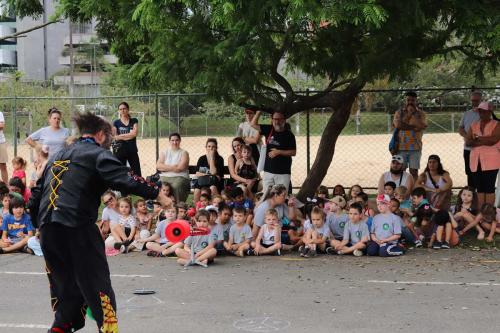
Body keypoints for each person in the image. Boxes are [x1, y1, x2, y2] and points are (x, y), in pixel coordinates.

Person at [29, 112, 169, 332]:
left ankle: (61, 326)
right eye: (111, 137)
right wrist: (158, 194)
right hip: (77, 228)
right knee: (98, 286)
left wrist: (38, 224)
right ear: (102, 135)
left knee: (67, 291)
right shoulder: (96, 154)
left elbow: (36, 195)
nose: (111, 142)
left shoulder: (58, 156)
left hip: (49, 230)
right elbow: (126, 178)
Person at [251, 111, 296, 193]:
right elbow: (253, 124)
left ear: (284, 120)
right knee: (266, 195)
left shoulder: (289, 135)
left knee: (281, 196)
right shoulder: (269, 129)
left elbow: (293, 152)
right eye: (274, 119)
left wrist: (279, 152)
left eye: (279, 119)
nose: (277, 121)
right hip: (268, 171)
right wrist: (258, 112)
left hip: (283, 172)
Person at [465, 101, 499, 207]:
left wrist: (477, 138)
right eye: (480, 111)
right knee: (479, 187)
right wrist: (484, 140)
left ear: (490, 112)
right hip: (475, 161)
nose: (482, 113)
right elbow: (468, 142)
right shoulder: (473, 125)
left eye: (484, 111)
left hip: (491, 161)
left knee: (489, 187)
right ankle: (480, 213)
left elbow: (493, 141)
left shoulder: (497, 124)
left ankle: (488, 213)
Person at [392, 91, 428, 180]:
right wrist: (409, 115)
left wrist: (412, 117)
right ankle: (400, 191)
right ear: (405, 101)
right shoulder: (399, 112)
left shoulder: (421, 113)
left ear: (416, 101)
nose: (410, 102)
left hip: (416, 147)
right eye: (408, 100)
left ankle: (414, 192)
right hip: (400, 147)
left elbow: (421, 126)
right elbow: (398, 125)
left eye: (413, 100)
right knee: (400, 171)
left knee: (414, 172)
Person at [157, 133, 190, 203]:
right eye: (172, 140)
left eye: (177, 140)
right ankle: (161, 205)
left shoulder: (184, 153)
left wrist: (165, 168)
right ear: (169, 141)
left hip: (180, 177)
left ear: (180, 141)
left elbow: (180, 168)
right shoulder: (164, 152)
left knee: (176, 186)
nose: (174, 142)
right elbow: (158, 166)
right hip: (164, 177)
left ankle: (178, 205)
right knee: (157, 185)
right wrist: (173, 167)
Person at [459, 90, 482, 187]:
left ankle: (481, 195)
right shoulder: (466, 114)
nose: (474, 102)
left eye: (477, 100)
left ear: (481, 100)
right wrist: (467, 138)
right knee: (469, 172)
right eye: (473, 100)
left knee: (480, 172)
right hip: (468, 149)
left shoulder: (486, 114)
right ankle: (471, 195)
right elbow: (460, 128)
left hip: (481, 149)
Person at [112, 101, 142, 176]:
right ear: (118, 111)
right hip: (120, 151)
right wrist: (129, 135)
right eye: (120, 109)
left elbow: (134, 134)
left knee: (137, 172)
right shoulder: (116, 122)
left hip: (132, 150)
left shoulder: (134, 121)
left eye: (124, 108)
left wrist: (121, 137)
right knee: (120, 172)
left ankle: (137, 187)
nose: (122, 110)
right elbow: (115, 137)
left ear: (128, 109)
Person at [0, 107, 8, 183]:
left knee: (3, 165)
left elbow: (1, 126)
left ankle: (6, 186)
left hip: (1, 142)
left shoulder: (0, 113)